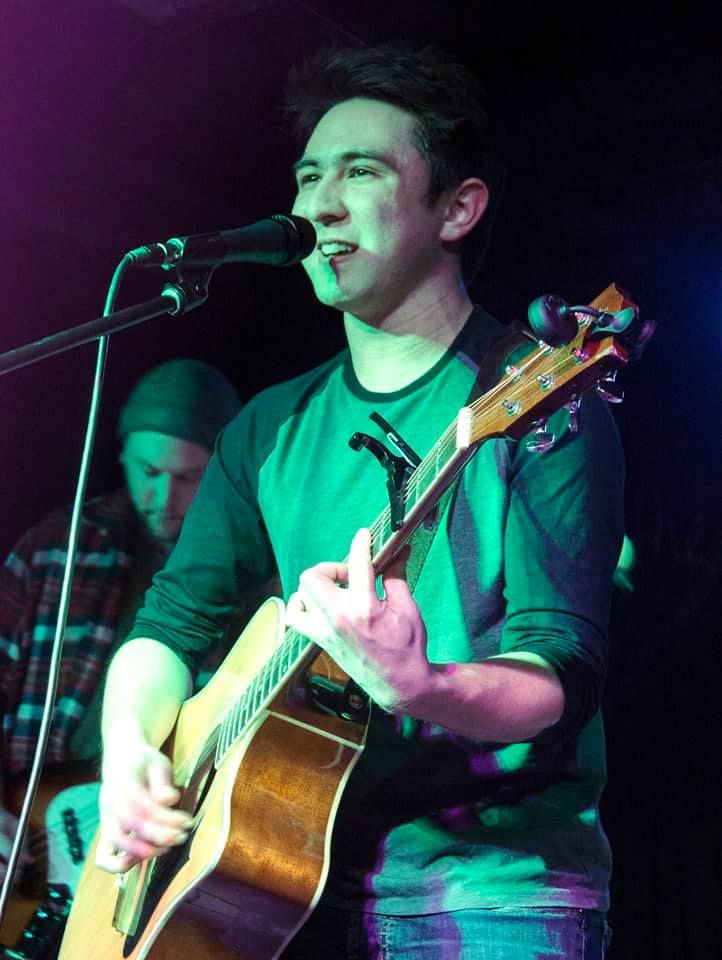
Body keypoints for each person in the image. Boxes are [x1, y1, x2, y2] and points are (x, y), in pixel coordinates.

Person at [96, 46, 623, 959]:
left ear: (457, 208)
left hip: (489, 893)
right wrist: (128, 755)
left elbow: (559, 675)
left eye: (362, 172)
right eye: (309, 177)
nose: (320, 205)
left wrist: (421, 687)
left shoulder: (540, 404)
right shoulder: (268, 426)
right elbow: (167, 629)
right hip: (274, 884)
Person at [0, 359, 241, 895]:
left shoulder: (244, 581)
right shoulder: (57, 547)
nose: (164, 499)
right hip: (26, 836)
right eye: (149, 472)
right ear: (122, 454)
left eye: (188, 478)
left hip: (146, 856)